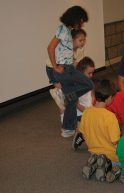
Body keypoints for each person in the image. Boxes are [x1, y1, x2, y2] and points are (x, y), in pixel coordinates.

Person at [47, 6, 93, 138]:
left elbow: (64, 49)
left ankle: (67, 129)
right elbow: (50, 47)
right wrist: (55, 66)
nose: (83, 24)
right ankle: (68, 97)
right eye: (82, 21)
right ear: (76, 19)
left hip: (69, 68)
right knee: (88, 84)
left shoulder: (68, 31)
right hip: (64, 70)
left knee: (75, 97)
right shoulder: (62, 29)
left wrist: (72, 60)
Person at [79, 79, 121, 183]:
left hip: (93, 150)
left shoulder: (86, 112)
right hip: (110, 153)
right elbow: (114, 141)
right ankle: (111, 167)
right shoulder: (110, 117)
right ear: (109, 98)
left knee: (99, 152)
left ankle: (95, 162)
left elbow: (83, 133)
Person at [47, 28, 87, 113]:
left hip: (64, 69)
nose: (83, 42)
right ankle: (58, 92)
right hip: (52, 68)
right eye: (80, 40)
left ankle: (59, 94)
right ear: (72, 40)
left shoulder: (80, 49)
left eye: (84, 40)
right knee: (64, 93)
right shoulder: (66, 47)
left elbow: (76, 64)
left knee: (63, 101)